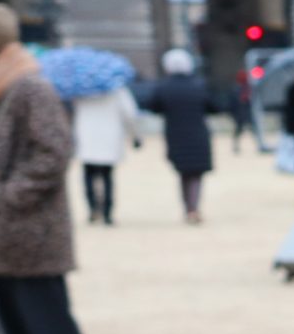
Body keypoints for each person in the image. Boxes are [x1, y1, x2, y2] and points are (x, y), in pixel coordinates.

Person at [0, 5, 107, 334]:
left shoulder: (29, 86)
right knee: (19, 319)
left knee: (47, 315)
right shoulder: (4, 86)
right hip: (7, 231)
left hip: (30, 226)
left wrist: (10, 195)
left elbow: (55, 149)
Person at [140, 48, 216, 224]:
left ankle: (188, 208)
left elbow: (153, 106)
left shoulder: (164, 87)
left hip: (175, 134)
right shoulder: (198, 85)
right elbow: (214, 106)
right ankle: (194, 207)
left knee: (183, 173)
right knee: (197, 174)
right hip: (198, 133)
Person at [72, 75, 140, 227]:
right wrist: (135, 135)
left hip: (87, 137)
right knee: (107, 176)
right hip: (109, 137)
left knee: (89, 176)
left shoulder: (81, 89)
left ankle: (93, 208)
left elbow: (74, 113)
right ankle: (108, 213)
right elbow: (130, 113)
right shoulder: (118, 89)